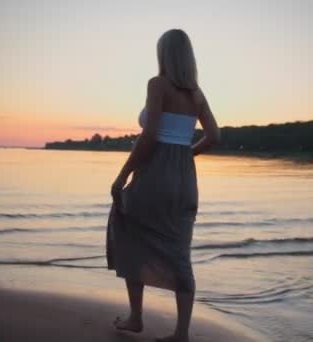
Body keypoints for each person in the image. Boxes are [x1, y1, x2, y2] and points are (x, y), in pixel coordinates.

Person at [106, 29, 220, 342]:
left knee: (126, 228)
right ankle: (181, 334)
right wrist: (186, 154)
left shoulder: (157, 85)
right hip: (185, 177)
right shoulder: (197, 94)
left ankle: (136, 318)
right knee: (180, 251)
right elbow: (215, 136)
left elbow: (150, 134)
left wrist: (122, 175)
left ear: (164, 55)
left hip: (155, 173)